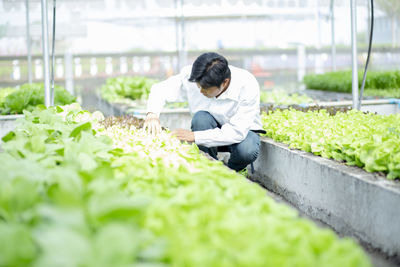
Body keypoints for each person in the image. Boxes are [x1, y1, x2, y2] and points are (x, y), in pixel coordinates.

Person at [144, 52, 265, 172]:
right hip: (208, 126)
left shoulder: (246, 84)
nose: (201, 91)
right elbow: (160, 89)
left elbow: (237, 131)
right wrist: (152, 114)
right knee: (201, 119)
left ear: (225, 82)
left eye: (206, 88)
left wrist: (194, 136)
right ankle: (207, 169)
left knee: (247, 150)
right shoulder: (193, 75)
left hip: (241, 133)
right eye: (198, 86)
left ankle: (231, 172)